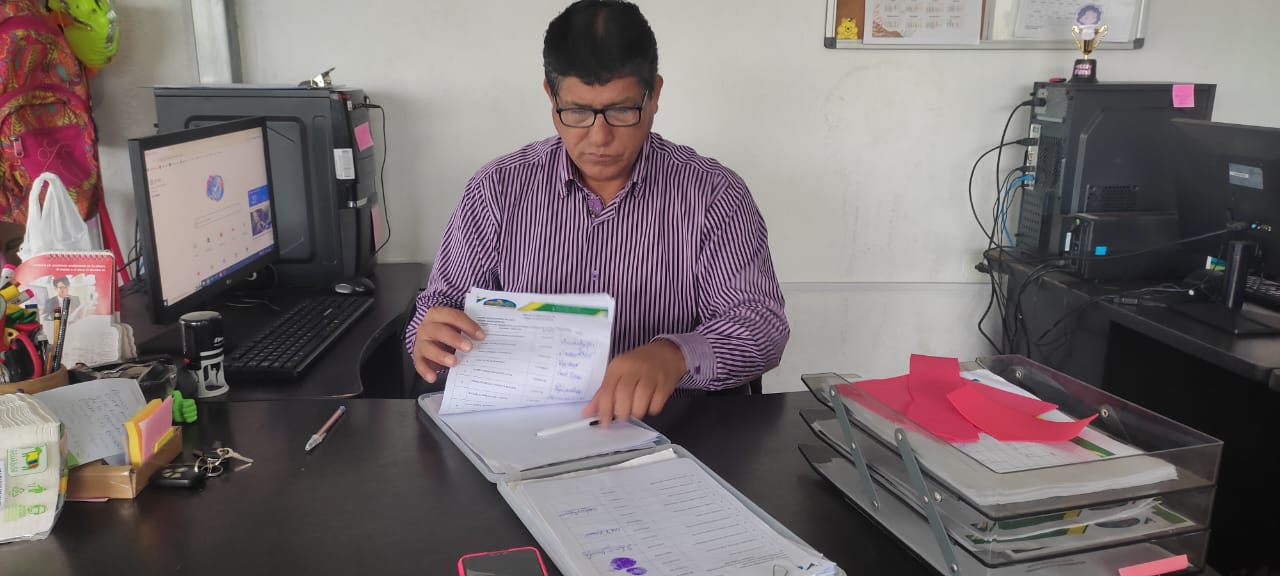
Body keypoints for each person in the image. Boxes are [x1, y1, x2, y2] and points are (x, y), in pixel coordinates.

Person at [405, 0, 789, 426]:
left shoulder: (713, 195)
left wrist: (675, 355)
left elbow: (761, 326)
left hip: (672, 431)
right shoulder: (497, 190)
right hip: (522, 427)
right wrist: (429, 335)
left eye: (622, 110)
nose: (600, 137)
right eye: (577, 112)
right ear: (551, 97)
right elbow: (438, 307)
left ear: (655, 95)